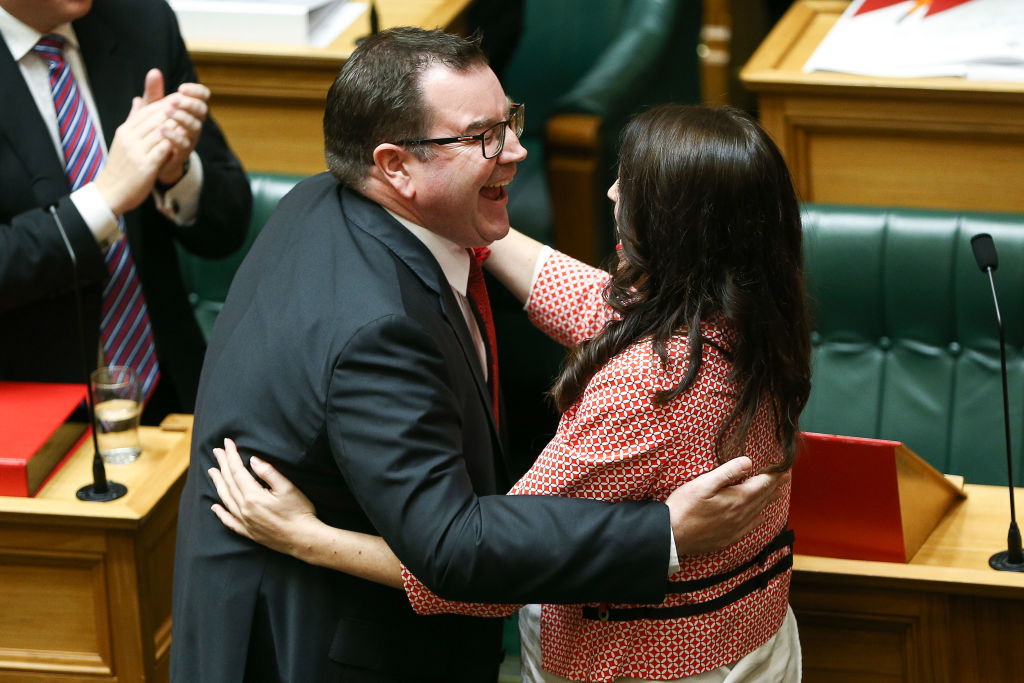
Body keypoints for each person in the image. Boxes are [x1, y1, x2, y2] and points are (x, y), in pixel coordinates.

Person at [171, 28, 788, 683]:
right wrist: (662, 532)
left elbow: (482, 565)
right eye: (484, 135)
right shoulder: (748, 306)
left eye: (509, 122)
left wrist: (310, 536)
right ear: (394, 167)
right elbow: (467, 555)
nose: (518, 149)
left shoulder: (321, 199)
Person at [0, 0, 251, 421]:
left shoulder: (140, 19)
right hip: (27, 416)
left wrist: (178, 173)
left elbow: (227, 225)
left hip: (175, 394)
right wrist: (104, 199)